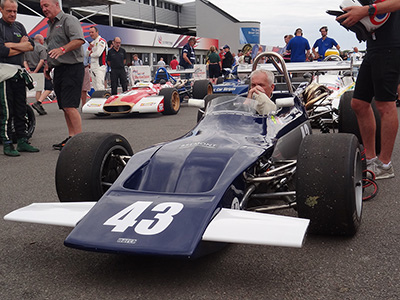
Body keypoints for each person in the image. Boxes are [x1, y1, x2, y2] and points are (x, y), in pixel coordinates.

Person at [337, 0, 400, 179]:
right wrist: (352, 18)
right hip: (374, 46)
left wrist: (365, 10)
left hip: (391, 46)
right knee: (358, 103)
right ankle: (371, 158)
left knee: (384, 104)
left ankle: (385, 164)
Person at [40, 0, 85, 150]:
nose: (44, 9)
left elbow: (79, 40)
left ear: (56, 5)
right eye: (42, 7)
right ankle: (72, 137)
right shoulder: (50, 25)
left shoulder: (69, 20)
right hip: (59, 69)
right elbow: (52, 49)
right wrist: (48, 65)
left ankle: (78, 141)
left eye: (46, 5)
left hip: (72, 68)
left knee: (70, 106)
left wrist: (63, 49)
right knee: (64, 107)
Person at [0, 0, 39, 156]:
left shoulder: (20, 26)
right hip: (4, 75)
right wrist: (19, 46)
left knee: (21, 109)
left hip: (19, 74)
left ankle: (23, 141)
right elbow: (2, 51)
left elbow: (30, 46)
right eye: (9, 11)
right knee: (6, 112)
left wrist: (11, 45)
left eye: (15, 11)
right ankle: (8, 144)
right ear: (1, 10)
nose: (12, 14)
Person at [24, 34, 52, 115]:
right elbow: (42, 60)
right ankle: (39, 102)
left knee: (38, 89)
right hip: (40, 69)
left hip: (30, 69)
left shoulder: (27, 48)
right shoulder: (41, 48)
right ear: (40, 40)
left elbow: (24, 61)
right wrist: (36, 70)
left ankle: (39, 106)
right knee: (49, 87)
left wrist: (29, 70)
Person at [88, 26, 107, 91]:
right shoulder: (92, 42)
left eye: (92, 32)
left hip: (100, 67)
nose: (91, 34)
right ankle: (98, 100)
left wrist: (91, 54)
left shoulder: (101, 41)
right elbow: (86, 54)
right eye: (89, 32)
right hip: (93, 67)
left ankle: (103, 100)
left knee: (100, 86)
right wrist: (89, 48)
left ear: (97, 32)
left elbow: (98, 54)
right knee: (95, 86)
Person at [81, 39, 91, 107]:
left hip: (84, 67)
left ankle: (83, 104)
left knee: (84, 88)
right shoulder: (71, 42)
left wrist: (90, 62)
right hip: (74, 67)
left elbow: (89, 54)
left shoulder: (86, 43)